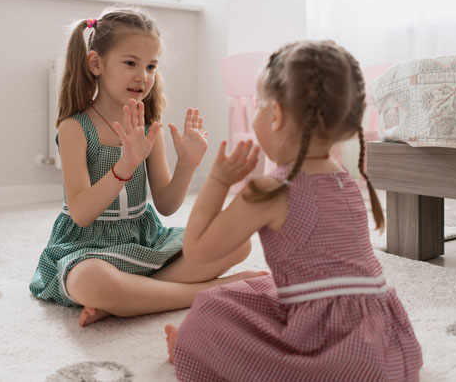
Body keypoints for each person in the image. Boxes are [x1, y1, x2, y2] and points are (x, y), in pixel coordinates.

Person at [165, 40, 423, 381]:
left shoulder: (272, 190)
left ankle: (190, 347)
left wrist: (217, 180)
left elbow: (197, 250)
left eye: (258, 105)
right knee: (263, 287)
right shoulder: (344, 179)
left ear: (276, 115)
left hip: (340, 356)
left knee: (211, 308)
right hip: (387, 343)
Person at [29, 6, 263, 327]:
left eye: (151, 66)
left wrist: (187, 165)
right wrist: (124, 166)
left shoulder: (150, 126)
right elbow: (82, 213)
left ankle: (130, 298)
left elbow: (166, 205)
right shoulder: (74, 129)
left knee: (237, 241)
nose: (143, 76)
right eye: (130, 63)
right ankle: (208, 291)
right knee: (92, 282)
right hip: (88, 247)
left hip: (143, 241)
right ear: (96, 63)